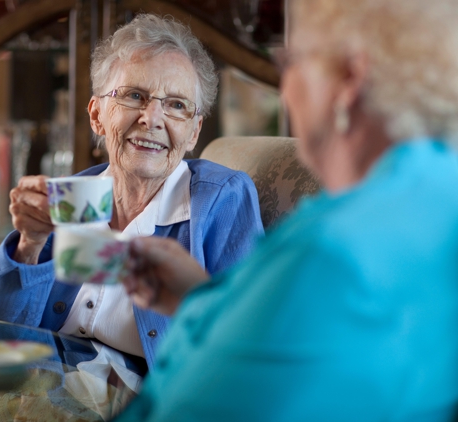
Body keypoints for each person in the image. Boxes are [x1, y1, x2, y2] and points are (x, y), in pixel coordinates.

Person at [115, 0, 458, 420]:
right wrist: (202, 302)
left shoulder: (328, 256)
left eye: (289, 62)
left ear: (348, 78)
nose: (286, 89)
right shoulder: (439, 199)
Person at [0, 14, 263, 369]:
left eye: (176, 105)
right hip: (40, 396)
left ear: (193, 131)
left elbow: (248, 349)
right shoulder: (76, 197)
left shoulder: (217, 201)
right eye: (134, 96)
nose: (152, 118)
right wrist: (29, 245)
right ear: (97, 116)